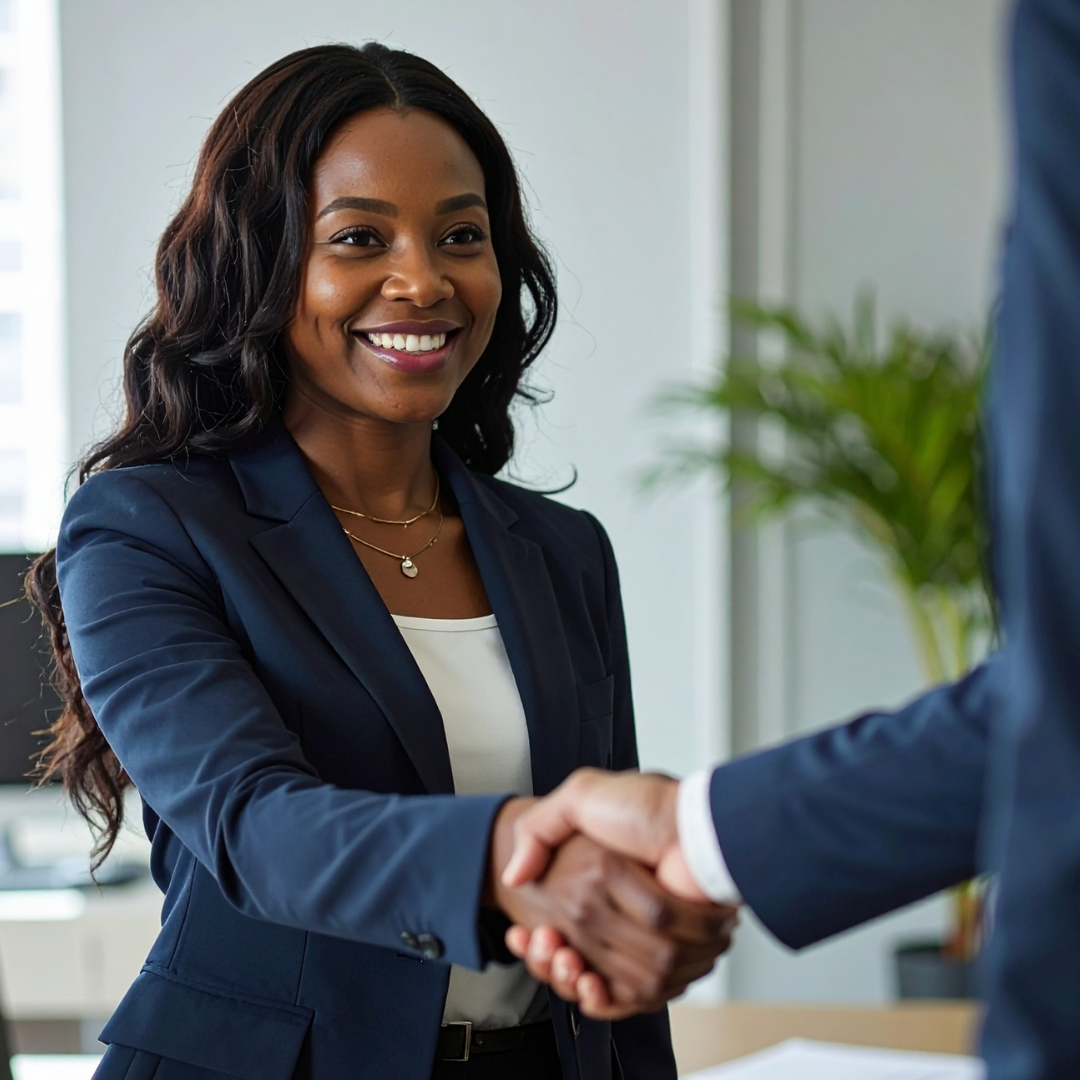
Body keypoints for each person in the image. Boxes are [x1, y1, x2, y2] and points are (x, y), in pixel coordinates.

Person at [28, 43, 736, 1080]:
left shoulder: (562, 552)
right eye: (359, 237)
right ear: (263, 264)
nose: (422, 279)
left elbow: (604, 898)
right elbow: (254, 826)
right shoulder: (145, 527)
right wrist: (508, 854)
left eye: (461, 236)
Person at [504, 2, 1080, 1074]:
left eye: (463, 237)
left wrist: (701, 837)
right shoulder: (169, 522)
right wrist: (705, 837)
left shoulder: (558, 548)